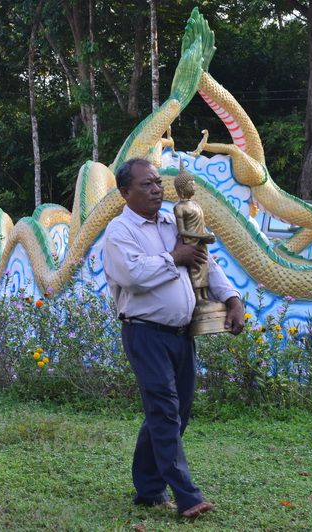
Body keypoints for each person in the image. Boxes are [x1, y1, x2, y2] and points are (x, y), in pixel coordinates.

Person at [102, 158, 245, 518]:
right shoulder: (119, 231)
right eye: (146, 185)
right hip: (145, 333)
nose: (156, 190)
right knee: (165, 411)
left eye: (157, 183)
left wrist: (232, 299)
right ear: (125, 192)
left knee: (174, 413)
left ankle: (148, 491)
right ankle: (187, 495)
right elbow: (133, 275)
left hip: (183, 334)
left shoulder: (174, 220)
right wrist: (174, 256)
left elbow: (205, 263)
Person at [173, 167, 219, 307]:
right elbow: (182, 231)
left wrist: (207, 236)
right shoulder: (179, 207)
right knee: (195, 269)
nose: (194, 188)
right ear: (181, 188)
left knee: (204, 268)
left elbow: (201, 225)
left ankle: (205, 295)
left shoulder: (195, 205)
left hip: (201, 242)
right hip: (190, 244)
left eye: (194, 184)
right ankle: (198, 297)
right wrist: (201, 236)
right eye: (190, 185)